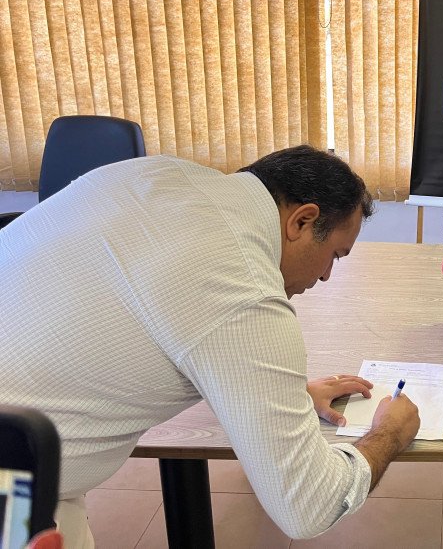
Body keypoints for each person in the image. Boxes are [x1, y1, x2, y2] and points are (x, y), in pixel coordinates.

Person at [0, 145, 421, 547]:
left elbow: (160, 319)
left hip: (29, 450)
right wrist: (388, 433)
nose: (328, 275)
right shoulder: (244, 290)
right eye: (335, 255)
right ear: (302, 222)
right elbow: (308, 505)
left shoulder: (153, 172)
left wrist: (284, 394)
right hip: (11, 487)